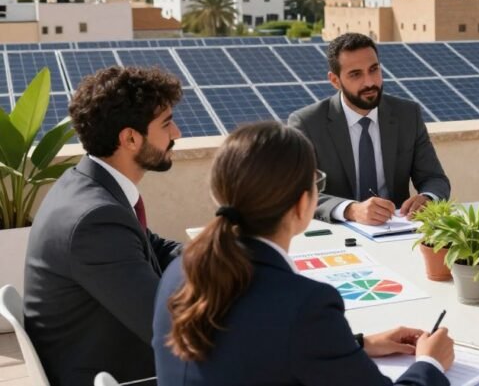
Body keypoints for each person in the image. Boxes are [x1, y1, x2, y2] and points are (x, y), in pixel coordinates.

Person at [154, 122, 453, 385]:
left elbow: (250, 348)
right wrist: (431, 363)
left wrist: (358, 345)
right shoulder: (305, 306)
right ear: (301, 204)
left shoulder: (177, 272)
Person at [24, 66, 183, 386]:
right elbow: (169, 330)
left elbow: (153, 248)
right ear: (130, 138)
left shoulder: (89, 187)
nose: (177, 133)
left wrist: (223, 259)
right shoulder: (94, 220)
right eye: (166, 123)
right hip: (123, 375)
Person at [289, 33, 451, 225]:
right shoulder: (307, 123)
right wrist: (351, 210)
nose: (370, 82)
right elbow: (299, 193)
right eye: (355, 74)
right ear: (335, 81)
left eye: (374, 70)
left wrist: (428, 198)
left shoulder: (407, 115)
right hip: (340, 235)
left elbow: (434, 178)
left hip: (398, 230)